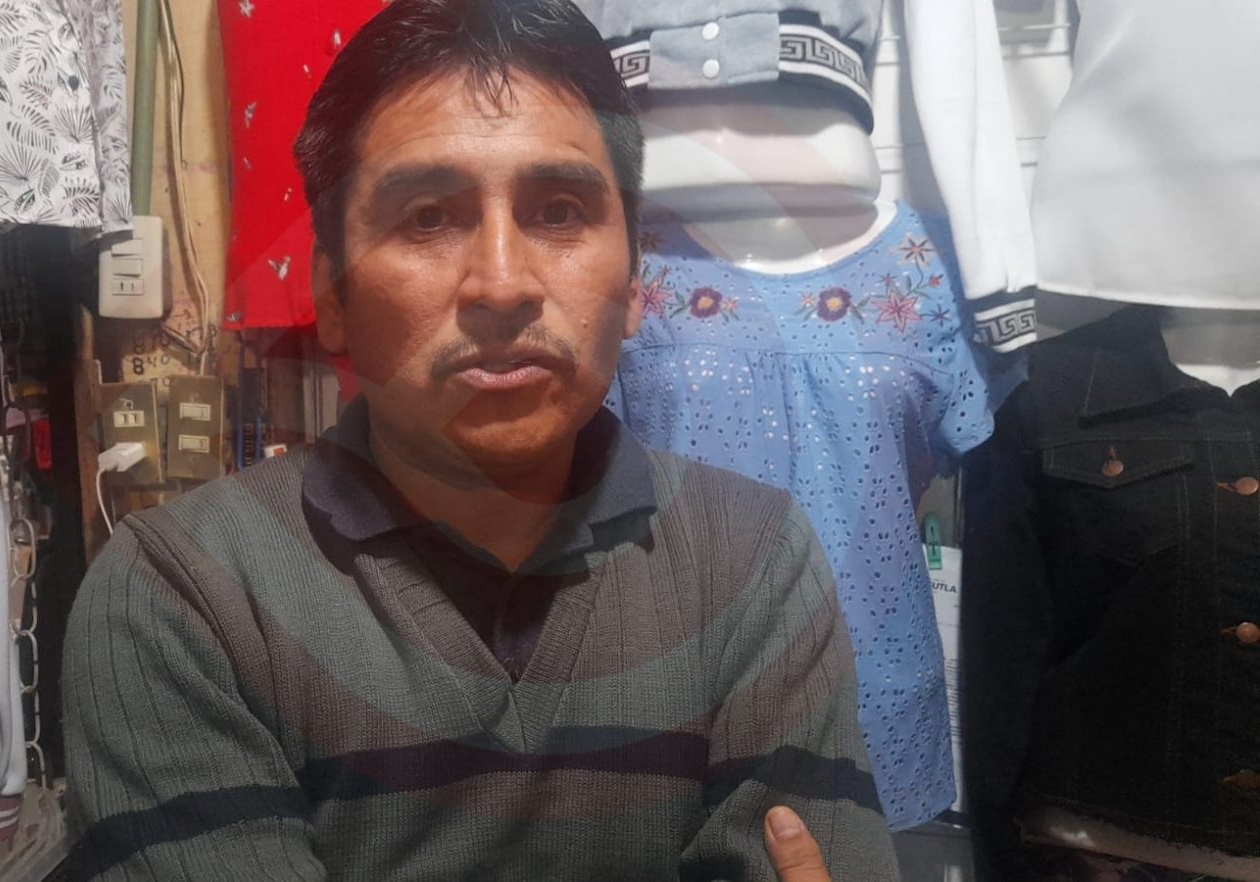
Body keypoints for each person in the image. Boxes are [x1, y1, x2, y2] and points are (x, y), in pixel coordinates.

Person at [61, 0, 899, 879]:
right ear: (333, 295)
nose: (502, 285)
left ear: (634, 284)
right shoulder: (182, 597)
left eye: (560, 211)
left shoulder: (754, 559)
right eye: (427, 217)